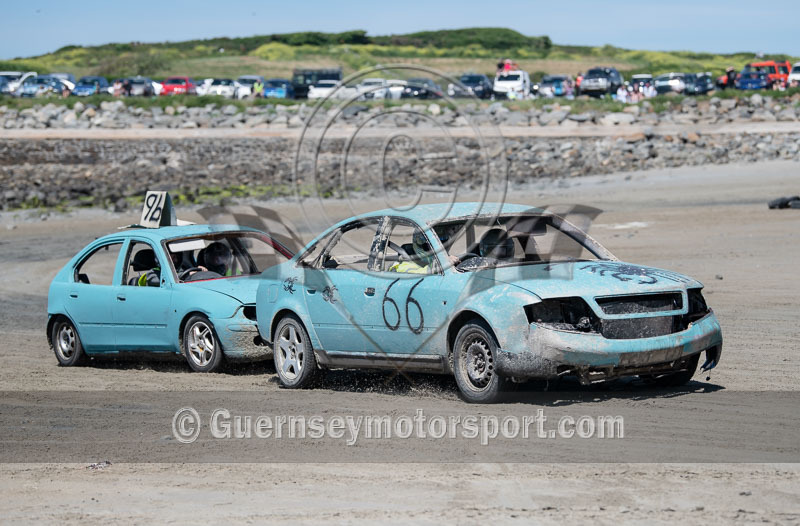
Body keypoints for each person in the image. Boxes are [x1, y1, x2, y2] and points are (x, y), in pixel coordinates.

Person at [389, 231, 459, 274]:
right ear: (421, 246)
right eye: (430, 246)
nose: (437, 250)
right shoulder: (401, 267)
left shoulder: (433, 262)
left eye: (442, 243)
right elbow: (422, 274)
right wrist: (443, 263)